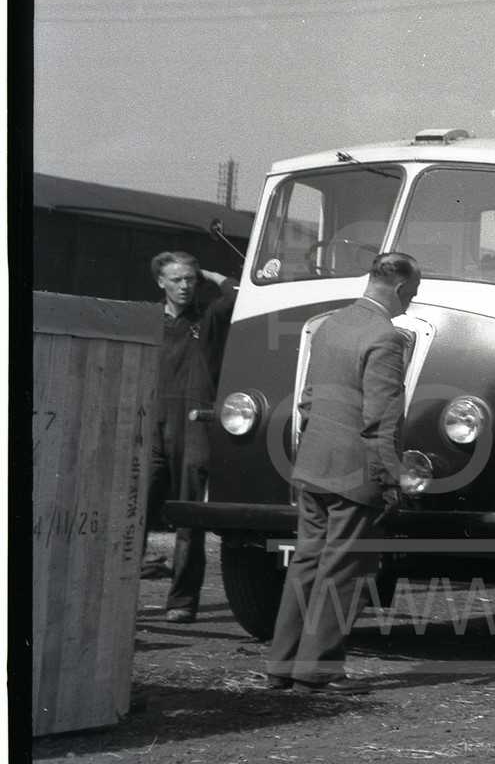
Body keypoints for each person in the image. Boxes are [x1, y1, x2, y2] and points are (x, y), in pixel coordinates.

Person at [263, 251, 421, 692]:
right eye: (412, 296)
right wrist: (394, 476)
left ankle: (282, 664)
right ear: (402, 289)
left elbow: (309, 399)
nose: (410, 305)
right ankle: (319, 668)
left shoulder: (330, 325)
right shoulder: (385, 338)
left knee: (307, 564)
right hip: (354, 473)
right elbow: (381, 420)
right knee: (342, 570)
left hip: (313, 466)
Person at [147, 250, 237, 622]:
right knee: (134, 510)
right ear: (160, 282)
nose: (185, 286)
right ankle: (118, 600)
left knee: (189, 519)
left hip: (195, 426)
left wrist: (213, 274)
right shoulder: (148, 321)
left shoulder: (208, 320)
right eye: (177, 279)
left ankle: (182, 602)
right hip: (151, 424)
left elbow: (237, 295)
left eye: (190, 279)